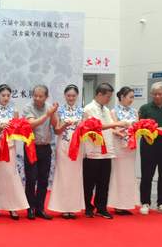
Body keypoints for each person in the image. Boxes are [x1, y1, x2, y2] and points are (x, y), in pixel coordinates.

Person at [83, 83, 125, 219]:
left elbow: (109, 127)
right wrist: (116, 124)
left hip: (107, 151)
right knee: (89, 182)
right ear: (99, 94)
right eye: (108, 96)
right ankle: (88, 207)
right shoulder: (88, 109)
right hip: (93, 151)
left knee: (104, 182)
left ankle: (101, 207)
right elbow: (96, 126)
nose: (109, 99)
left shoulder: (106, 110)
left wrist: (118, 131)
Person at [0, 84, 29, 220]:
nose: (6, 98)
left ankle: (13, 207)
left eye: (8, 95)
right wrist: (0, 127)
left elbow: (18, 130)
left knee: (11, 176)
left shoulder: (14, 111)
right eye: (3, 95)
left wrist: (11, 129)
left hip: (10, 147)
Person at [138, 81, 162, 215]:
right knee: (147, 175)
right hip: (149, 145)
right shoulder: (145, 108)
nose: (157, 96)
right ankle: (145, 202)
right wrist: (155, 130)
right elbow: (139, 127)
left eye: (160, 94)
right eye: (154, 94)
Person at [22, 85, 58, 220]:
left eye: (40, 96)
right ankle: (30, 208)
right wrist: (47, 114)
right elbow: (31, 124)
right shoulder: (28, 107)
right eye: (35, 95)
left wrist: (53, 113)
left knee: (43, 179)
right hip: (31, 147)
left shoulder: (50, 107)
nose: (37, 98)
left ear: (46, 97)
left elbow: (55, 125)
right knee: (31, 178)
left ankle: (40, 208)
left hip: (46, 147)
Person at [49, 84, 85, 219]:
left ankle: (73, 208)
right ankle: (63, 207)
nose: (71, 98)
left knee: (75, 176)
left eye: (73, 96)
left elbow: (86, 129)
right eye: (69, 95)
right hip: (63, 145)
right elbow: (57, 130)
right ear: (65, 96)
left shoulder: (82, 111)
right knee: (63, 175)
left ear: (77, 96)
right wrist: (65, 124)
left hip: (78, 146)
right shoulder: (59, 111)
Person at [108, 86, 140, 215]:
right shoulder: (113, 111)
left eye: (133, 97)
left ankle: (127, 203)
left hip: (131, 147)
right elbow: (112, 128)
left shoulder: (135, 112)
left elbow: (138, 126)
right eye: (130, 97)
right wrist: (120, 131)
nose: (132, 100)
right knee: (118, 173)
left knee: (129, 174)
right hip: (118, 145)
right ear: (122, 97)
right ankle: (118, 204)